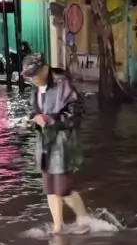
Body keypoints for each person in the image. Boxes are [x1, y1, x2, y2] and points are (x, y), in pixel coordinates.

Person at [22, 53, 91, 234]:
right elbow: (33, 110)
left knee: (63, 188)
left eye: (35, 74)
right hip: (45, 145)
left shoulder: (64, 85)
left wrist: (50, 119)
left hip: (62, 144)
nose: (33, 79)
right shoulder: (35, 88)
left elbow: (76, 113)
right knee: (50, 187)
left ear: (45, 69)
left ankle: (83, 218)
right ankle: (58, 226)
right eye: (29, 76)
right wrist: (31, 120)